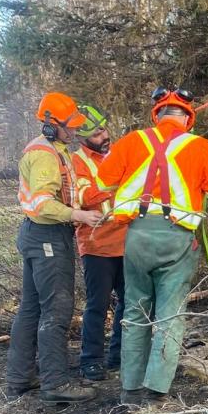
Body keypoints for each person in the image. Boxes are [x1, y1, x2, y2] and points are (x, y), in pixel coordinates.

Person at [83, 87, 208, 404]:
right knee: (170, 316)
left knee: (136, 310)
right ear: (188, 118)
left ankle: (130, 389)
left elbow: (100, 187)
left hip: (137, 236)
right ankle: (155, 391)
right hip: (176, 239)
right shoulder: (200, 147)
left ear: (158, 114)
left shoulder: (132, 142)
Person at [6, 92, 103, 405]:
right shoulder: (46, 154)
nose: (73, 130)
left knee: (31, 308)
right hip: (48, 236)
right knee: (56, 310)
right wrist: (78, 215)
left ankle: (20, 377)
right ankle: (56, 383)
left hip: (37, 234)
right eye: (68, 125)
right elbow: (43, 203)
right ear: (50, 125)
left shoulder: (51, 149)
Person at [70, 105, 126, 380]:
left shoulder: (118, 152)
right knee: (98, 304)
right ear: (82, 137)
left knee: (130, 301)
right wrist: (114, 183)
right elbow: (84, 197)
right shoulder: (78, 160)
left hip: (127, 241)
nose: (104, 136)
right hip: (96, 245)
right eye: (96, 133)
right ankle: (90, 360)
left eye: (104, 129)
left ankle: (119, 355)